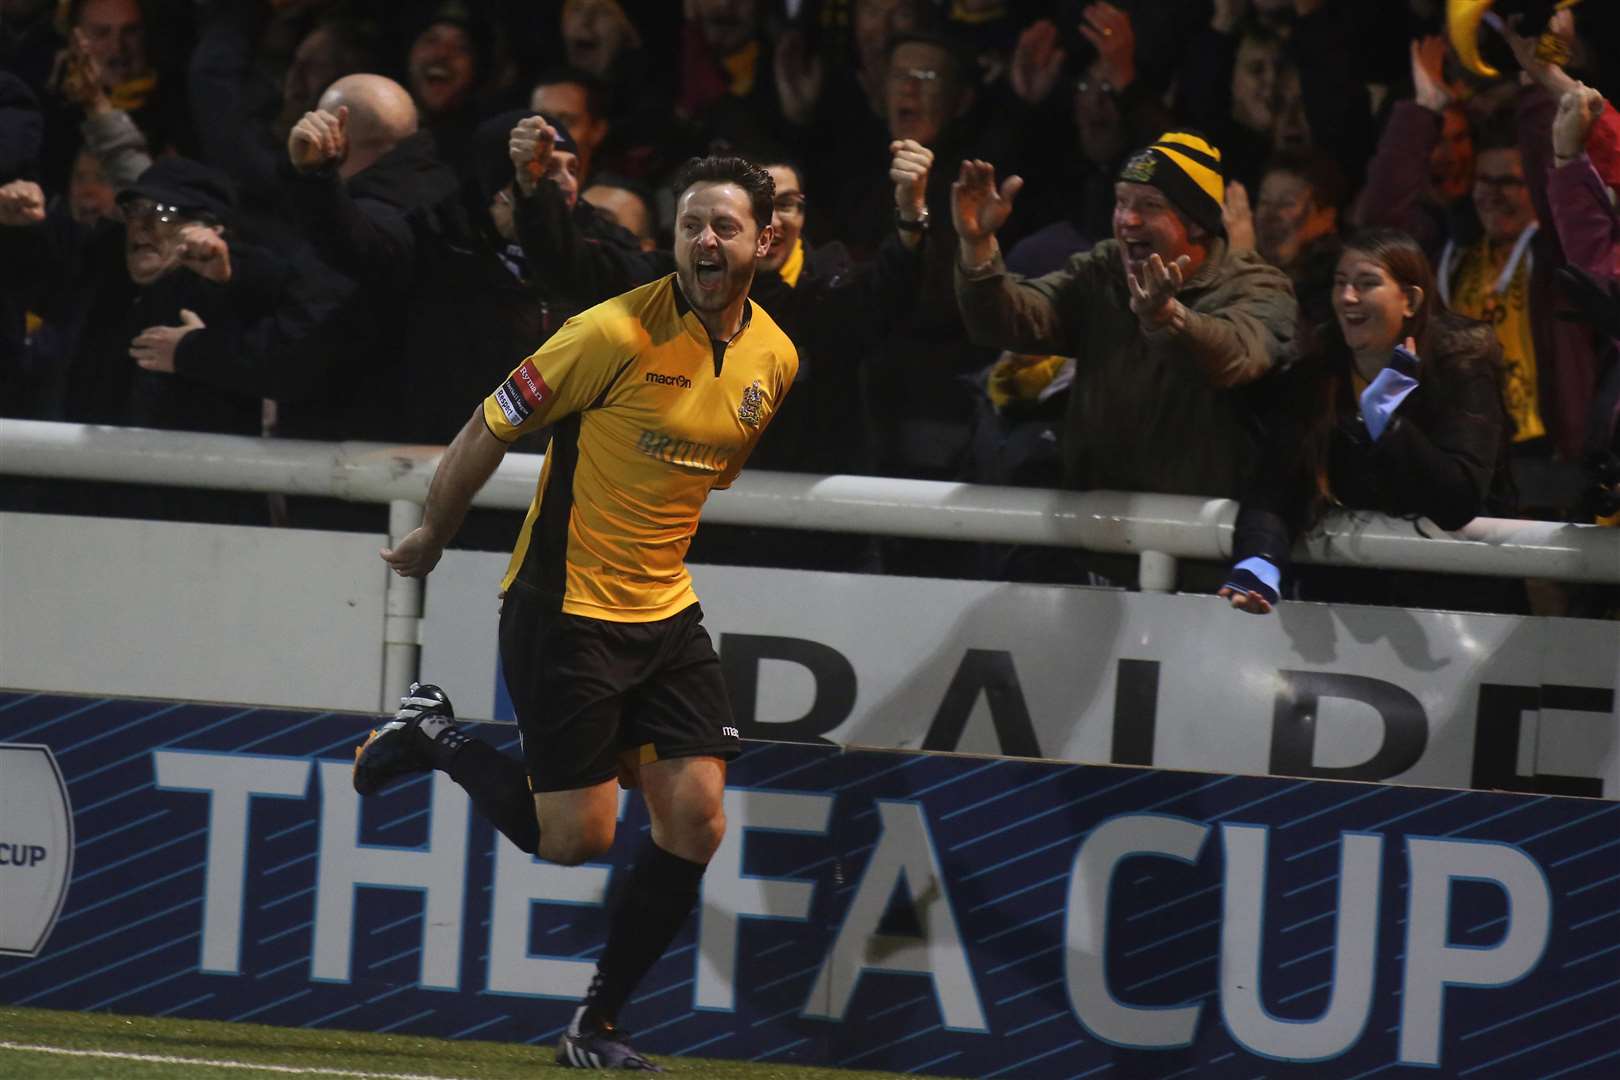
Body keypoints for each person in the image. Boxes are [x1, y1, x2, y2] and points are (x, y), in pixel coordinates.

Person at [351, 155, 795, 1072]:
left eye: (724, 226)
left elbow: (706, 468)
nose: (705, 241)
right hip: (568, 609)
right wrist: (435, 530)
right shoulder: (611, 332)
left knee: (697, 819)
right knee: (575, 841)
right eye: (690, 225)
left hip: (664, 613)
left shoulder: (775, 359)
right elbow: (487, 425)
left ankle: (595, 1026)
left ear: (767, 241)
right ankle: (434, 733)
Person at [953, 130, 1299, 515]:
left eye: (1150, 205)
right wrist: (977, 247)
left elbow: (1234, 357)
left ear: (1198, 223)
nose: (1128, 220)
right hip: (1095, 533)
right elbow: (1014, 321)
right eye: (1121, 203)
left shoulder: (1256, 286)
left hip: (1198, 543)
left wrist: (1168, 319)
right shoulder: (1104, 270)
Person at [1220, 227, 1514, 614]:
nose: (1347, 297)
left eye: (1366, 283)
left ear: (1409, 300)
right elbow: (1273, 490)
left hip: (1453, 606)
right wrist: (1258, 561)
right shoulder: (1317, 370)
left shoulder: (1461, 364)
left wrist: (1387, 427)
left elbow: (1457, 501)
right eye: (1340, 283)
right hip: (1346, 601)